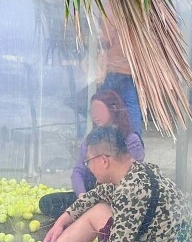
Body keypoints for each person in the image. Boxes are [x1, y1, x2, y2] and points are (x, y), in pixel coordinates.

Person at [0, 127, 192, 242]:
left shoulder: (131, 192)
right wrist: (61, 222)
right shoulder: (136, 172)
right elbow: (97, 195)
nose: (88, 168)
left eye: (88, 162)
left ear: (103, 161)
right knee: (100, 208)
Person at [38, 89, 144, 219]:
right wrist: (83, 197)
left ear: (114, 109)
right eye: (92, 112)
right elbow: (78, 171)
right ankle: (88, 214)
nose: (95, 116)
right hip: (92, 194)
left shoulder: (130, 138)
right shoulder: (91, 140)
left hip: (118, 196)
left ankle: (92, 215)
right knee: (48, 202)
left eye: (99, 110)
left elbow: (134, 175)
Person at [99, 15, 144, 138]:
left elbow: (106, 37)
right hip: (130, 66)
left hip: (114, 66)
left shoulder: (109, 5)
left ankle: (103, 139)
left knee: (104, 102)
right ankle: (135, 141)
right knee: (131, 104)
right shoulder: (135, 3)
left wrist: (98, 38)